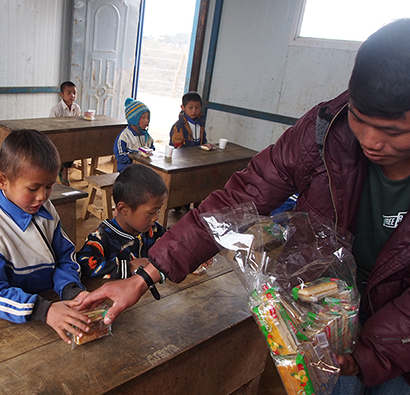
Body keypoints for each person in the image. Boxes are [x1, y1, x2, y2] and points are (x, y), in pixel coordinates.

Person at [82, 19, 410, 394]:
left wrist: (369, 356)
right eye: (359, 119)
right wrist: (147, 274)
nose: (369, 140)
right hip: (322, 307)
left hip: (399, 331)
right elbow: (239, 198)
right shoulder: (326, 129)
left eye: (393, 132)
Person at [0, 129, 91, 344]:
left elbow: (65, 255)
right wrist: (42, 309)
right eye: (33, 188)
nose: (42, 196)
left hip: (50, 309)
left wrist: (70, 289)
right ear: (1, 181)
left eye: (49, 186)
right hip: (5, 321)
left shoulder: (45, 209)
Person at [77, 164, 167, 279]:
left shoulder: (152, 229)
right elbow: (84, 265)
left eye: (158, 210)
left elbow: (171, 242)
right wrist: (128, 267)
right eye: (151, 212)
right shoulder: (102, 237)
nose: (156, 217)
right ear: (124, 209)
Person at [50, 81, 81, 185]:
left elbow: (77, 124)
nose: (72, 95)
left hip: (71, 137)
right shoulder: (56, 110)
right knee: (67, 145)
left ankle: (65, 169)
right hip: (59, 137)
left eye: (74, 93)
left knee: (75, 144)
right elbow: (51, 127)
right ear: (61, 95)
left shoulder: (76, 108)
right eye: (69, 93)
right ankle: (64, 170)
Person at [114, 98, 154, 172]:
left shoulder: (147, 137)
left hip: (142, 170)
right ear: (133, 119)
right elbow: (120, 157)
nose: (147, 121)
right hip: (127, 171)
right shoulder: (124, 136)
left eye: (148, 117)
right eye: (143, 117)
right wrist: (135, 159)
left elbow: (153, 151)